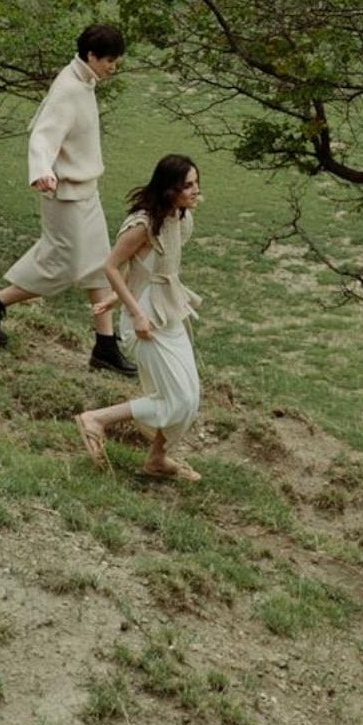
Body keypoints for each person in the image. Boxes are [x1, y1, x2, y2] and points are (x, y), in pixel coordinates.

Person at [0, 24, 135, 374]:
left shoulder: (85, 82)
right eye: (109, 61)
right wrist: (41, 170)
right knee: (59, 264)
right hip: (65, 194)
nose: (112, 68)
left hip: (87, 191)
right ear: (91, 56)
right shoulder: (68, 89)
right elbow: (42, 137)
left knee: (99, 266)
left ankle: (104, 348)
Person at [76, 154, 204, 481]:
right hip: (145, 319)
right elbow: (111, 266)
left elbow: (150, 270)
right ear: (168, 188)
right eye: (187, 185)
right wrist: (132, 311)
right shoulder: (142, 224)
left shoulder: (180, 218)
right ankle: (96, 419)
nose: (195, 191)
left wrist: (115, 299)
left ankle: (157, 459)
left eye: (196, 183)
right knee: (175, 400)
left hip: (169, 310)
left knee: (189, 398)